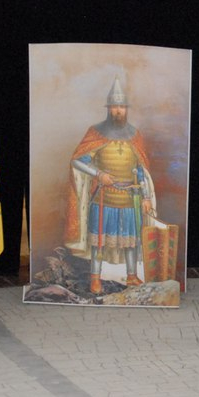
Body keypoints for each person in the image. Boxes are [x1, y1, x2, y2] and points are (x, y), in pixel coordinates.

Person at [65, 77, 158, 294]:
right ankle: (95, 279)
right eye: (115, 107)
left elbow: (141, 169)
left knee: (131, 240)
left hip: (131, 198)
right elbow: (77, 160)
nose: (118, 111)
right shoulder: (96, 133)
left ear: (126, 109)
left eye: (122, 107)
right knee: (99, 241)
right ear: (108, 109)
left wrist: (146, 197)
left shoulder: (135, 136)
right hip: (103, 198)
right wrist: (98, 174)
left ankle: (132, 276)